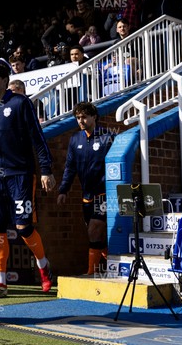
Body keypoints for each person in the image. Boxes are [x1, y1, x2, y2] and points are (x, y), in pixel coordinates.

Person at [0, 63, 56, 299]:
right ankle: (1, 282)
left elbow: (37, 137)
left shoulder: (21, 103)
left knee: (23, 227)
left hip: (20, 174)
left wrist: (46, 170)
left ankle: (43, 266)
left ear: (5, 80)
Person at [57, 102, 113, 275]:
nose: (80, 121)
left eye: (84, 117)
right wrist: (63, 190)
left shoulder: (107, 137)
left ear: (94, 116)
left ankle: (91, 272)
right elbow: (70, 167)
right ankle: (113, 264)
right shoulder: (75, 139)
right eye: (78, 118)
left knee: (94, 229)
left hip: (103, 193)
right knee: (95, 235)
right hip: (86, 194)